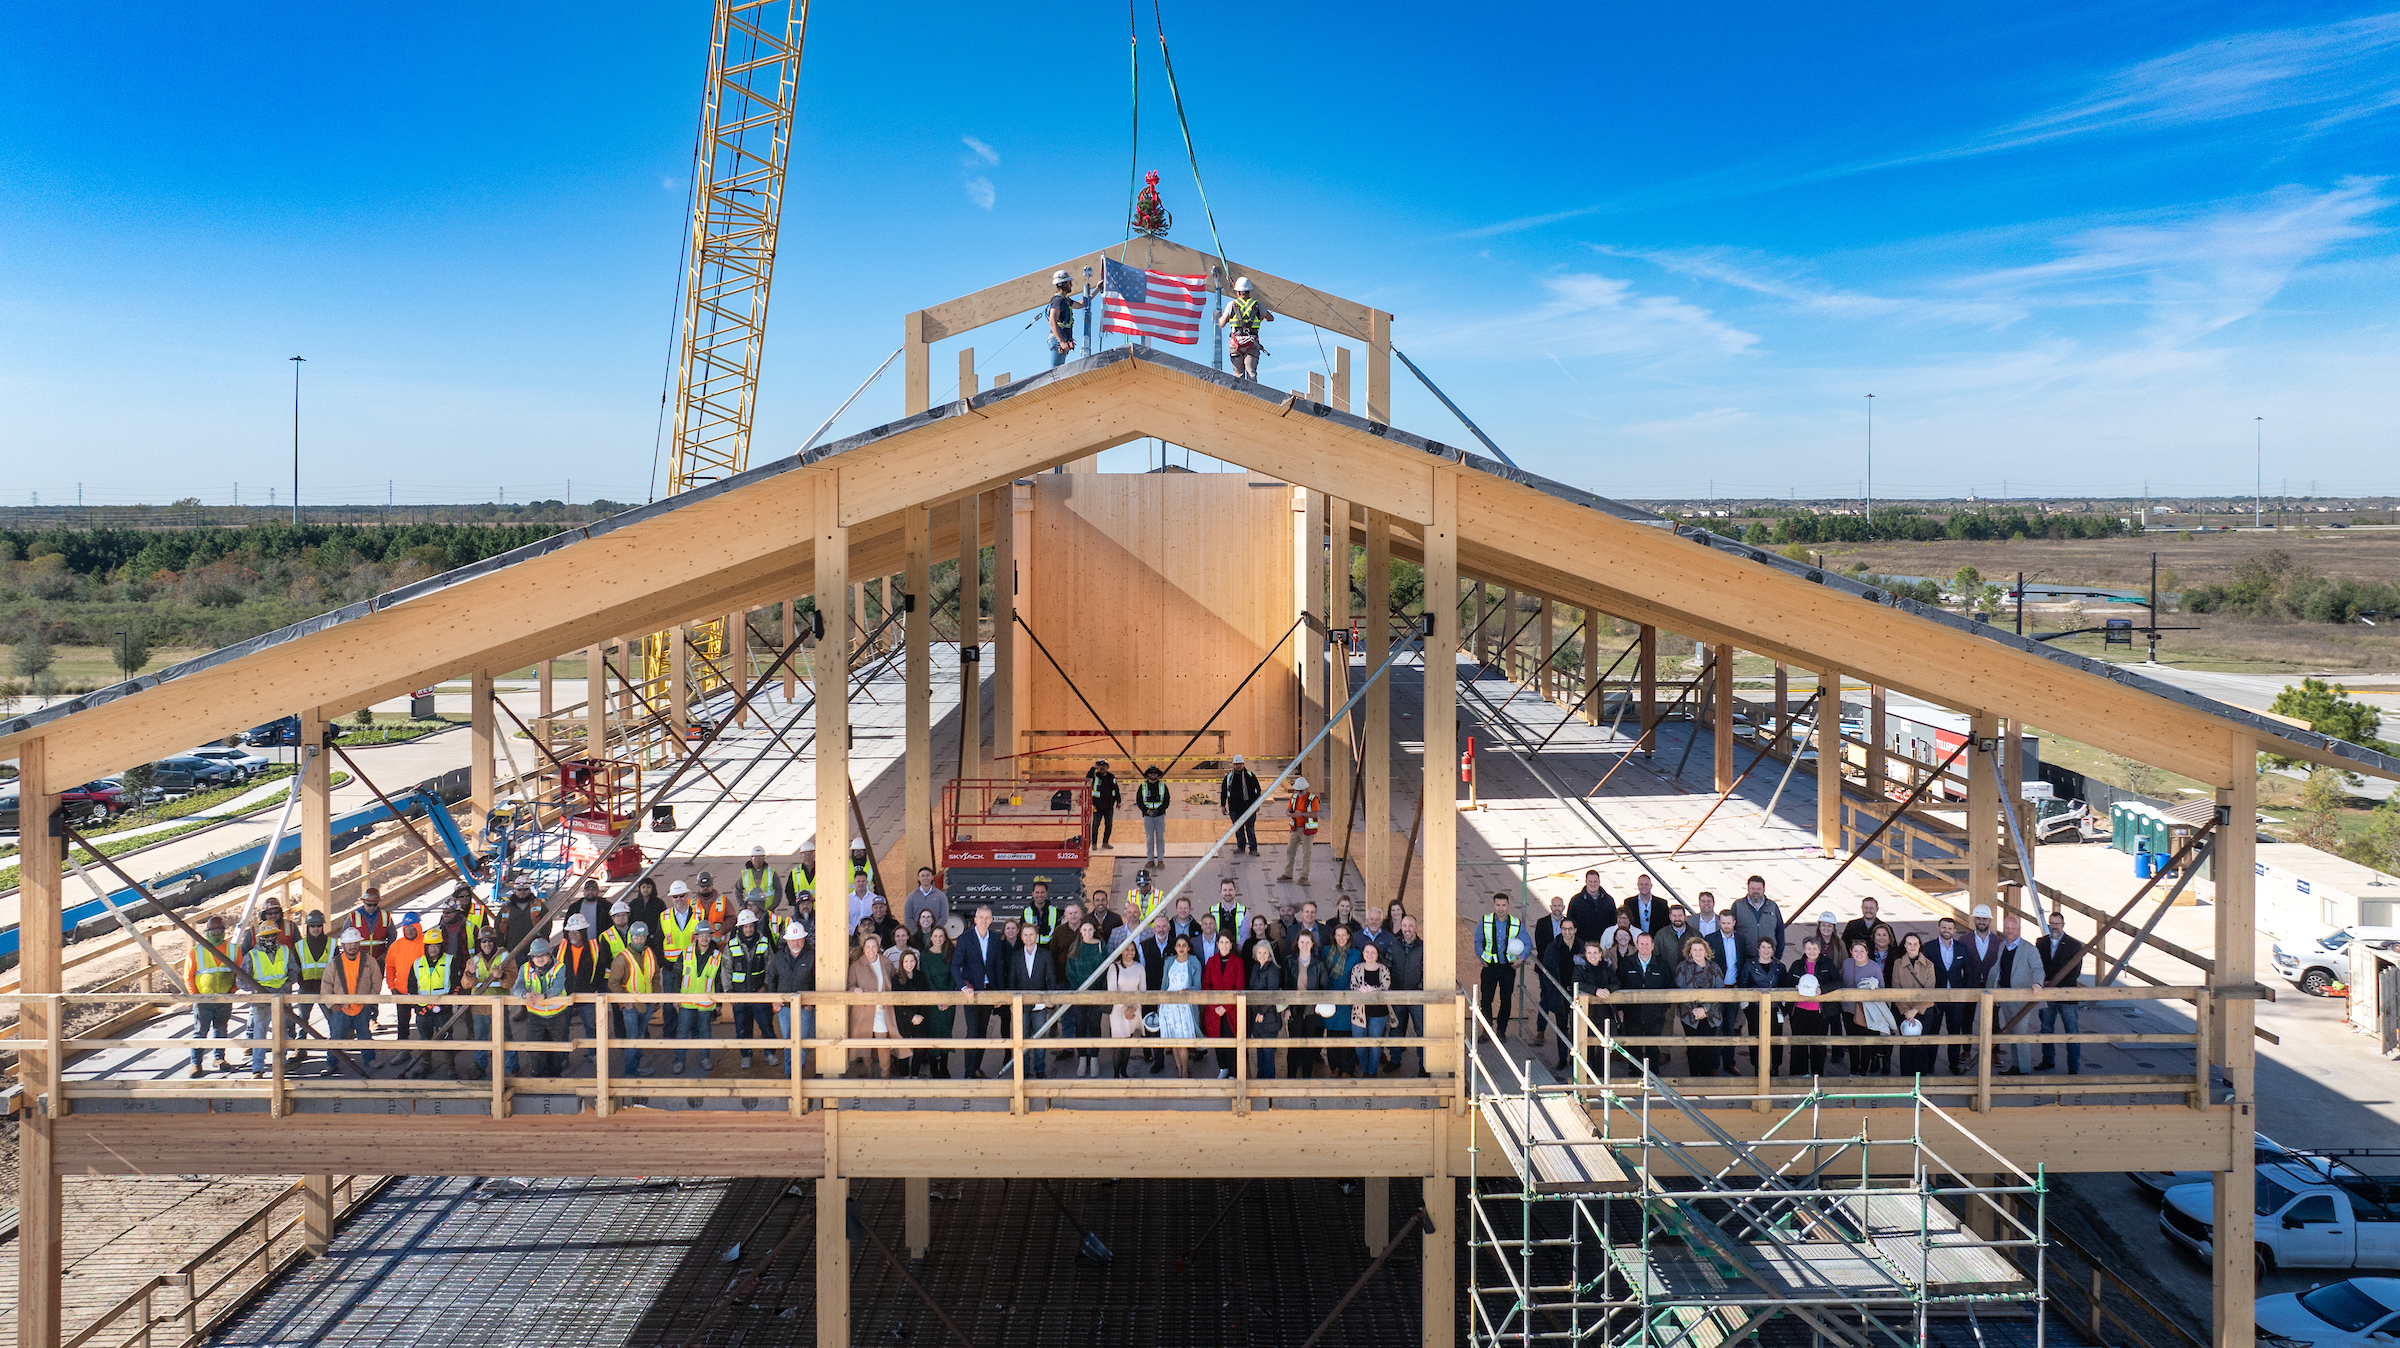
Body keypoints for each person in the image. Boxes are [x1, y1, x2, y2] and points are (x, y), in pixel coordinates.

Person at [954, 906, 1009, 1079]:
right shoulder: (965, 938)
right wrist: (963, 986)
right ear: (975, 920)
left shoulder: (994, 938)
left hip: (989, 991)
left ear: (991, 920)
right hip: (971, 992)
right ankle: (968, 1072)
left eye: (987, 918)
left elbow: (998, 967)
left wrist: (999, 993)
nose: (984, 921)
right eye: (981, 917)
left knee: (983, 1031)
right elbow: (955, 966)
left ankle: (976, 1068)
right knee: (972, 1031)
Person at [1003, 920, 1060, 1078]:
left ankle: (1040, 1069)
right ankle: (1025, 1070)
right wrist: (1012, 1003)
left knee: (1039, 1038)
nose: (1028, 938)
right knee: (1022, 1038)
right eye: (1025, 935)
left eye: (1031, 935)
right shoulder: (1015, 957)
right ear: (1021, 937)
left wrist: (1051, 997)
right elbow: (1012, 981)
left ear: (1036, 936)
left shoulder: (1045, 955)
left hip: (1040, 1005)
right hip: (1020, 1004)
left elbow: (1051, 977)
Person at [1985, 912, 2040, 1075]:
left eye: (2013, 928)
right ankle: (2016, 1066)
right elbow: (1999, 970)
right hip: (2006, 996)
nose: (2010, 931)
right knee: (2011, 1031)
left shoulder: (2029, 949)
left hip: (2022, 998)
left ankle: (2023, 1070)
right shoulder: (2003, 946)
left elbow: (2038, 968)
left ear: (2019, 929)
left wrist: (2037, 983)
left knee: (2020, 1034)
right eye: (2007, 928)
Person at [2035, 907, 2089, 1074]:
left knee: (2071, 1031)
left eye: (2057, 924)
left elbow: (2075, 972)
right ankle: (2047, 1060)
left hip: (2067, 995)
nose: (2054, 927)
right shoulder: (2041, 942)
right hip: (2047, 994)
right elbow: (2037, 965)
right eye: (2051, 923)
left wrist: (2056, 984)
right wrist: (2042, 982)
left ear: (2063, 925)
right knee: (2046, 1028)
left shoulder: (2074, 945)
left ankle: (2073, 1067)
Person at [607, 921, 663, 1078]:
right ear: (631, 937)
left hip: (647, 1004)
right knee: (633, 1039)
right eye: (636, 936)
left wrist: (656, 998)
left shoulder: (650, 954)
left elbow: (656, 976)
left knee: (639, 1037)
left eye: (642, 936)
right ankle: (631, 1071)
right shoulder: (622, 958)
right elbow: (613, 983)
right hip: (631, 1007)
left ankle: (636, 1068)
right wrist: (625, 1002)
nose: (639, 939)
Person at [184, 915, 239, 1075]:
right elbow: (188, 975)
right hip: (203, 999)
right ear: (207, 931)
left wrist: (232, 990)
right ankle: (196, 1063)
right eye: (213, 929)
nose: (216, 932)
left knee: (221, 1029)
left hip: (224, 998)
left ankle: (219, 1058)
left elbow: (240, 972)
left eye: (220, 928)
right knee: (200, 1031)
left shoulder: (233, 950)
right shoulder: (196, 952)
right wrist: (195, 996)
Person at [404, 925, 458, 1080]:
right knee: (425, 1040)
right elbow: (412, 988)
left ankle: (450, 1068)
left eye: (436, 946)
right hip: (423, 1011)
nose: (433, 949)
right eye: (430, 946)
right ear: (425, 947)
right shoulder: (417, 963)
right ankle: (425, 1065)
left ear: (441, 946)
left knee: (447, 1039)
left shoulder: (450, 961)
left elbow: (455, 984)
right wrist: (417, 1008)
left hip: (444, 1010)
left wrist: (446, 1004)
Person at [513, 937, 573, 1077]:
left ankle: (555, 1076)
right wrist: (525, 995)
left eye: (543, 955)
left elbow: (558, 987)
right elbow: (517, 987)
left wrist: (543, 996)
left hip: (557, 1015)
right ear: (531, 957)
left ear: (549, 955)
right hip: (535, 1016)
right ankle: (538, 1076)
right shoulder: (525, 968)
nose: (539, 959)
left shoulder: (560, 967)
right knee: (534, 1047)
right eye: (536, 956)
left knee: (558, 1048)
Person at [1616, 930, 1674, 1073]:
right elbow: (1618, 986)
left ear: (1653, 946)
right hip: (1632, 1014)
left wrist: (1663, 1008)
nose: (1645, 947)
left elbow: (1670, 987)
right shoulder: (1626, 963)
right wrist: (1620, 1009)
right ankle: (1635, 1071)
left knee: (1652, 1046)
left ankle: (1652, 1073)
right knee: (1634, 1044)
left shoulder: (1662, 965)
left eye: (1647, 944)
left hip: (1655, 1015)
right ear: (1636, 945)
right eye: (1641, 944)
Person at [724, 909, 774, 1070]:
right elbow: (725, 970)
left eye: (750, 926)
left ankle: (770, 1053)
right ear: (740, 928)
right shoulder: (731, 945)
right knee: (742, 1028)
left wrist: (765, 987)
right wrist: (729, 992)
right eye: (745, 926)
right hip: (739, 996)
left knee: (766, 1025)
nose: (748, 929)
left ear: (755, 925)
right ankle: (746, 1055)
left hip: (760, 993)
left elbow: (770, 968)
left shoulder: (764, 942)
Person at [673, 922, 725, 1076]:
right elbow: (676, 976)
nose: (704, 938)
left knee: (705, 1031)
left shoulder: (717, 956)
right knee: (682, 1032)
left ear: (711, 937)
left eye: (707, 935)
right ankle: (679, 1061)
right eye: (701, 935)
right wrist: (675, 998)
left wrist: (719, 1004)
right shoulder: (686, 953)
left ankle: (705, 1058)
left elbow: (719, 981)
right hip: (686, 1001)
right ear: (696, 937)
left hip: (706, 1003)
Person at [464, 927, 515, 1079]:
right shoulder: (473, 961)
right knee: (480, 1039)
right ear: (480, 943)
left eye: (489, 941)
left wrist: (502, 975)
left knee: (505, 1037)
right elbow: (466, 984)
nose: (487, 944)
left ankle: (512, 1068)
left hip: (499, 1006)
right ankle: (479, 1067)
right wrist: (470, 973)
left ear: (495, 941)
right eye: (483, 941)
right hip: (479, 1007)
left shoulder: (506, 957)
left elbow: (511, 981)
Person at [1786, 937, 1840, 1078]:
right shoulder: (1797, 965)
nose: (1811, 951)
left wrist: (1823, 989)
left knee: (1818, 1045)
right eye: (1808, 949)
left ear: (1819, 949)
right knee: (1799, 1043)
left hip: (1819, 1012)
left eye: (1814, 949)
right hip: (1799, 1011)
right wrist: (1794, 987)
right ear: (1804, 950)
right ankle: (1798, 1074)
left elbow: (1838, 981)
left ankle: (1817, 1075)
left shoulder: (1827, 964)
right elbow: (1787, 982)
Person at [1474, 892, 1526, 1039]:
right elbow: (1478, 941)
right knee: (1486, 1000)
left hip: (1507, 968)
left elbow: (1527, 943)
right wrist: (1481, 958)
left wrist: (1521, 959)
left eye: (1503, 905)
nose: (1501, 908)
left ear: (1508, 905)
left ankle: (1501, 1031)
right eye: (1498, 905)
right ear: (1493, 905)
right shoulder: (1485, 921)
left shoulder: (1515, 923)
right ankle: (1487, 1031)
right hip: (1489, 967)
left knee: (1506, 1000)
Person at [766, 923, 814, 1078]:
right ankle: (789, 1072)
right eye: (792, 940)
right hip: (785, 1007)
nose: (795, 943)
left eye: (798, 939)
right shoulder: (779, 957)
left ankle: (798, 1069)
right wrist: (774, 999)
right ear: (787, 941)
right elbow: (771, 978)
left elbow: (816, 980)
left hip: (804, 1006)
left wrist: (811, 1001)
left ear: (803, 938)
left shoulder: (812, 955)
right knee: (788, 1039)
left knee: (801, 1040)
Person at [1734, 937, 1788, 1077]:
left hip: (1774, 1008)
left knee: (1776, 1038)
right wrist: (1746, 1007)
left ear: (1773, 950)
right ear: (1758, 949)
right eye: (1763, 947)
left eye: (1769, 948)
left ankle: (1775, 1066)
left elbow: (1784, 987)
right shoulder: (1749, 965)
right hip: (1755, 1009)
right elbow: (1743, 984)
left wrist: (1783, 1007)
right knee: (1755, 1038)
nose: (1766, 950)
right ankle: (1756, 1067)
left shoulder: (1779, 967)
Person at [1673, 935, 1726, 1077]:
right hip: (1688, 1014)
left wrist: (1705, 1009)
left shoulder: (1714, 968)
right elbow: (1679, 989)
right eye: (1694, 950)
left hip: (1710, 1014)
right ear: (1689, 951)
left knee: (1706, 1048)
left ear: (1706, 951)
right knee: (1692, 1048)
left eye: (1700, 949)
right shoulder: (1682, 967)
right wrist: (1694, 1010)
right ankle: (1694, 1078)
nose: (1697, 952)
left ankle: (1706, 1079)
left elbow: (1720, 990)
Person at [848, 931, 898, 1078]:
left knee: (883, 1045)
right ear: (863, 948)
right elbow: (850, 984)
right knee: (865, 1045)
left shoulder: (886, 962)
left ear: (878, 947)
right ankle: (869, 1073)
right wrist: (854, 989)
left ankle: (885, 1075)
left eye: (874, 946)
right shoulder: (856, 966)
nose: (871, 950)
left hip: (883, 1009)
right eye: (868, 947)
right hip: (864, 1010)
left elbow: (894, 980)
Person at [1891, 931, 1940, 1077]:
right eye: (1909, 944)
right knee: (1905, 1045)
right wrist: (1907, 1011)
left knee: (1920, 1044)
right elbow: (1896, 988)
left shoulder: (1929, 965)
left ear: (1920, 946)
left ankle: (1921, 1077)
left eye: (1915, 944)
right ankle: (1906, 1078)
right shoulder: (1898, 964)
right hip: (1903, 1010)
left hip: (1924, 1010)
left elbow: (1930, 989)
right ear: (1904, 946)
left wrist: (1916, 1010)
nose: (1912, 946)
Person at [1929, 915, 1972, 1074]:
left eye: (1949, 928)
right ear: (1939, 929)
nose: (1946, 930)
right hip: (1936, 997)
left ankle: (1954, 1064)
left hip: (1955, 998)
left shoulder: (1961, 948)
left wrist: (1964, 995)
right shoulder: (1929, 947)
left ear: (1954, 931)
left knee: (1954, 1032)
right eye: (1943, 927)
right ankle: (1930, 1064)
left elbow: (1968, 973)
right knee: (1933, 1031)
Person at [1842, 939, 1891, 1076]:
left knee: (1866, 1042)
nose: (1858, 953)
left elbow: (1881, 988)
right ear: (1851, 952)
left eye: (1861, 951)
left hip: (1868, 1011)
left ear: (1867, 952)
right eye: (1855, 950)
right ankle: (1853, 1071)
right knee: (1852, 1042)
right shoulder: (1847, 963)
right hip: (1849, 1009)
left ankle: (1863, 1071)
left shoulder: (1874, 967)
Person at [1285, 930, 1329, 1079]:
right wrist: (1287, 1008)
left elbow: (1324, 985)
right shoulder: (1290, 961)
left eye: (1307, 942)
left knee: (1308, 1045)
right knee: (1294, 1045)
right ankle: (1291, 1078)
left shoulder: (1318, 963)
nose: (1304, 945)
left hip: (1312, 1010)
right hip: (1294, 1009)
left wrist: (1319, 1005)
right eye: (1301, 942)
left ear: (1312, 944)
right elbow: (1285, 986)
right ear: (1297, 943)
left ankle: (1307, 1077)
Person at [290, 909, 334, 1060]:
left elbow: (336, 968)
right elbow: (295, 967)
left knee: (332, 1020)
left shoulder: (332, 944)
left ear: (323, 926)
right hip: (306, 988)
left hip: (325, 989)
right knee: (302, 1020)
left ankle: (335, 1048)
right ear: (307, 927)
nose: (316, 929)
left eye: (319, 925)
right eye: (313, 926)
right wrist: (301, 983)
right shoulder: (299, 946)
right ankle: (300, 1048)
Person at [1158, 933, 1203, 1078]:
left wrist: (1188, 991)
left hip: (1185, 1006)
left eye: (1184, 945)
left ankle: (1185, 1072)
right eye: (1178, 945)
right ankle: (1179, 1070)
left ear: (1189, 947)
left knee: (1182, 1042)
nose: (1181, 948)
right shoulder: (1169, 961)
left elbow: (1198, 985)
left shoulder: (1194, 961)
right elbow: (1165, 984)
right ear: (1175, 948)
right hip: (1169, 1005)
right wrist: (1161, 1002)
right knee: (1174, 1042)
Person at [1387, 913, 1426, 1076]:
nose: (1407, 929)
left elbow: (1426, 972)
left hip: (1416, 996)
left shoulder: (1423, 947)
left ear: (1416, 928)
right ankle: (1395, 1060)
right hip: (1397, 995)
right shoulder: (1393, 944)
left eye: (1410, 926)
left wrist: (1418, 990)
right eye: (1404, 926)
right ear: (1401, 927)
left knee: (1421, 1031)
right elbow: (1387, 968)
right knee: (1395, 1029)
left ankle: (1424, 1065)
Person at [1065, 920, 1106, 1076]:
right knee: (1080, 1025)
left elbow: (1105, 968)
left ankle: (1094, 1059)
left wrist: (1094, 987)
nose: (1087, 932)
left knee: (1095, 1025)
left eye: (1090, 929)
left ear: (1094, 930)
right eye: (1084, 929)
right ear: (1080, 931)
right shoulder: (1074, 947)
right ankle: (1082, 1058)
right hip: (1079, 994)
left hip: (1096, 994)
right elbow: (1070, 970)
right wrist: (1081, 988)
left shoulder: (1101, 946)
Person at [1202, 931, 1246, 1078]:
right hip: (1214, 1009)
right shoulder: (1211, 961)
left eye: (1227, 942)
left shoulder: (1237, 962)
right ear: (1217, 944)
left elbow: (1239, 987)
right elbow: (1206, 985)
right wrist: (1215, 1006)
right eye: (1221, 942)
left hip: (1231, 1010)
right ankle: (1223, 1068)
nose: (1224, 945)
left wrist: (1225, 1007)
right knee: (1218, 1039)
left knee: (1231, 1041)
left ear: (1231, 944)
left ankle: (1233, 1072)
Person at [1537, 917, 1580, 1062]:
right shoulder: (1552, 947)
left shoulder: (1581, 947)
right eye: (1564, 929)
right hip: (1560, 992)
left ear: (1575, 930)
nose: (1567, 932)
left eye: (1570, 929)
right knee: (1561, 1027)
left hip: (1577, 993)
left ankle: (1576, 1059)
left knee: (1577, 1027)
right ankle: (1562, 1058)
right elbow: (1547, 972)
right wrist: (1551, 992)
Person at [1322, 923, 1363, 1076]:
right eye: (1337, 935)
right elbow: (1322, 972)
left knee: (1347, 1035)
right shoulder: (1326, 951)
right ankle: (1335, 1067)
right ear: (1334, 937)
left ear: (1349, 937)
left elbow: (1357, 976)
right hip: (1330, 998)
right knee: (1332, 1034)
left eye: (1343, 935)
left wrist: (1346, 994)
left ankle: (1347, 1068)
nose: (1341, 938)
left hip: (1347, 999)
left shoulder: (1355, 954)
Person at [1573, 937, 1617, 1076]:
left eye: (1595, 953)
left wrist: (1608, 989)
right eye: (1589, 953)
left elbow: (1616, 982)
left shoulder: (1607, 966)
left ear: (1600, 954)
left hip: (1604, 1011)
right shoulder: (1580, 967)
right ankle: (1587, 1073)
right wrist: (1595, 991)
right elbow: (1577, 982)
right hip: (1586, 1011)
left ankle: (1602, 1074)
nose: (1592, 956)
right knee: (1586, 1042)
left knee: (1603, 1042)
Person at [1350, 938, 1394, 1077]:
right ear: (1363, 953)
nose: (1369, 954)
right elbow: (1353, 987)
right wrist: (1361, 989)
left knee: (1375, 1043)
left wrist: (1371, 989)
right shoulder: (1356, 969)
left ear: (1377, 954)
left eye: (1373, 952)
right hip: (1359, 1012)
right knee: (1359, 1043)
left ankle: (1372, 1072)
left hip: (1379, 1012)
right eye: (1367, 952)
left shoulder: (1384, 969)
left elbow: (1385, 987)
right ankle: (1365, 1068)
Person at [920, 924, 958, 1080]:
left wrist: (948, 998)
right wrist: (937, 999)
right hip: (932, 1000)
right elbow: (927, 979)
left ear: (945, 938)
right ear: (931, 938)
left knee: (946, 1031)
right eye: (935, 936)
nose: (938, 939)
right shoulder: (925, 956)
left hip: (949, 1000)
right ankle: (934, 1066)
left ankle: (944, 1065)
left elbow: (954, 975)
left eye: (941, 936)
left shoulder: (950, 953)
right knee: (933, 1031)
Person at [1106, 940, 1148, 1078]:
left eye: (1132, 950)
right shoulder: (1114, 967)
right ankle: (1116, 1074)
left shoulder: (1139, 967)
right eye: (1126, 949)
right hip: (1118, 1010)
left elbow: (1143, 991)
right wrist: (1125, 1008)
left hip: (1134, 1008)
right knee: (1119, 1042)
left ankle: (1124, 1071)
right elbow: (1112, 991)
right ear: (1121, 951)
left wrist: (1134, 1008)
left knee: (1128, 1041)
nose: (1129, 953)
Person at [1218, 276, 1273, 381]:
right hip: (1252, 344)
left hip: (1236, 344)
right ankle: (1253, 395)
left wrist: (1218, 317)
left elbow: (1222, 323)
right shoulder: (1257, 305)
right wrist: (1261, 317)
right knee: (1251, 373)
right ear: (1249, 291)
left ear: (1238, 292)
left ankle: (1239, 395)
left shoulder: (1232, 305)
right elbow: (1270, 318)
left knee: (1238, 375)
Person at [384, 912, 425, 1049]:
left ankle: (426, 1053)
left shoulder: (426, 945)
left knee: (424, 1023)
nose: (409, 930)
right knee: (402, 1023)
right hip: (401, 991)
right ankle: (403, 1051)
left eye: (412, 927)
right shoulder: (396, 946)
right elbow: (389, 967)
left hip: (422, 993)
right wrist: (392, 987)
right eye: (406, 927)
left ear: (418, 927)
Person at [1246, 937, 1286, 1079]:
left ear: (1269, 954)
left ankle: (1268, 1083)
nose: (1262, 955)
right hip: (1255, 1016)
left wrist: (1261, 1012)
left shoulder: (1273, 970)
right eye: (1259, 952)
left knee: (1268, 1051)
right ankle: (1260, 1079)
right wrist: (1256, 1012)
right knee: (1259, 1051)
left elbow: (1272, 993)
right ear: (1255, 954)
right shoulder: (1255, 967)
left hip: (1269, 1017)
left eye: (1265, 952)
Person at [894, 948, 936, 1076]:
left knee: (920, 1049)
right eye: (906, 961)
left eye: (912, 961)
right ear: (902, 963)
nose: (909, 964)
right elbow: (898, 1001)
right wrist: (912, 1015)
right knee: (904, 1050)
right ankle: (905, 1075)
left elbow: (926, 996)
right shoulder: (896, 979)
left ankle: (915, 1074)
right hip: (905, 1018)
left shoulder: (920, 976)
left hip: (921, 1017)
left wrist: (920, 1015)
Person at [1733, 876, 1786, 965]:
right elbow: (1731, 930)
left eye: (1758, 889)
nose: (1755, 891)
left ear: (1764, 889)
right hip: (1745, 959)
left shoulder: (1772, 906)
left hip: (1768, 958)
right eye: (1752, 888)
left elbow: (1780, 931)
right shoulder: (1738, 906)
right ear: (1748, 889)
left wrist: (1778, 955)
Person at [1279, 776, 1320, 883]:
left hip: (1307, 830)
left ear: (1305, 789)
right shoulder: (1294, 797)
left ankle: (1304, 876)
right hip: (1295, 828)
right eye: (1297, 790)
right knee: (1290, 850)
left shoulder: (1312, 799)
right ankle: (1288, 874)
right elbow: (1288, 810)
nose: (1298, 792)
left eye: (1300, 790)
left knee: (1307, 853)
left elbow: (1315, 813)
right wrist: (1291, 814)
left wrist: (1302, 814)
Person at [1046, 268, 1090, 368]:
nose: (1071, 285)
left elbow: (1080, 305)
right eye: (1069, 282)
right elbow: (1052, 321)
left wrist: (1097, 289)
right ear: (1064, 284)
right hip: (1058, 338)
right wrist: (1061, 341)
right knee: (1056, 369)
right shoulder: (1058, 300)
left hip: (1062, 338)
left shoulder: (1065, 300)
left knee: (1059, 368)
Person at [1221, 755, 1263, 856]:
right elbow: (1224, 792)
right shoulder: (1229, 777)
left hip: (1249, 808)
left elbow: (1257, 790)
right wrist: (1223, 805)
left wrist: (1257, 804)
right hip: (1235, 809)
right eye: (1236, 764)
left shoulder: (1250, 775)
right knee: (1238, 829)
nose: (1238, 766)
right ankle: (1241, 847)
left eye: (1240, 764)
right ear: (1234, 765)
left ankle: (1253, 849)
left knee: (1250, 829)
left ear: (1243, 764)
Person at [1135, 766, 1171, 870]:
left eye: (1155, 773)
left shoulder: (1163, 786)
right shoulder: (1142, 787)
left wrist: (1159, 811)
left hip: (1159, 817)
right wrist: (1147, 811)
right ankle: (1150, 860)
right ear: (1148, 775)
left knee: (1160, 838)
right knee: (1150, 839)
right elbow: (1139, 801)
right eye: (1151, 773)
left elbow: (1166, 801)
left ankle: (1160, 860)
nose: (1153, 775)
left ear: (1157, 775)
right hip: (1148, 817)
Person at [1566, 871, 1614, 942]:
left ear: (1599, 882)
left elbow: (1613, 923)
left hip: (1603, 943)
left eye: (1595, 881)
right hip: (1582, 943)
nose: (1593, 884)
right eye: (1590, 881)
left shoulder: (1609, 900)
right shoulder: (1576, 901)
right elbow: (1570, 922)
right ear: (1586, 882)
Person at [660, 881, 702, 962]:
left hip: (693, 962)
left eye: (681, 896)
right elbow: (658, 941)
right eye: (675, 897)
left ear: (687, 895)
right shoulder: (664, 916)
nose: (678, 899)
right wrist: (664, 963)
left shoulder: (700, 914)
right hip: (671, 964)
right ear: (672, 898)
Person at [902, 866, 950, 934]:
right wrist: (916, 932)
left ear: (932, 877)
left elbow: (944, 917)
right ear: (919, 878)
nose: (925, 878)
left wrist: (934, 931)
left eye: (928, 875)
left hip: (935, 936)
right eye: (922, 876)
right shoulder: (911, 897)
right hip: (916, 936)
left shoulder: (941, 896)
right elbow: (908, 918)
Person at [1087, 759, 1121, 850]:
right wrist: (1093, 767)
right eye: (1100, 766)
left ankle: (1105, 842)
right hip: (1097, 806)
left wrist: (1118, 801)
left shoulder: (1111, 777)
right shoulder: (1095, 777)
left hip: (1109, 806)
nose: (1102, 768)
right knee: (1095, 825)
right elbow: (1088, 777)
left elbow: (1116, 789)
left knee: (1109, 825)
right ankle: (1094, 843)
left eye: (1104, 766)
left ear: (1107, 767)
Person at [738, 847, 785, 911]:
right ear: (751, 858)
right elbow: (737, 890)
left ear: (764, 858)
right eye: (755, 857)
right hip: (751, 911)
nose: (757, 860)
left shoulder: (770, 872)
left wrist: (774, 905)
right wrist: (743, 906)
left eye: (760, 857)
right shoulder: (746, 874)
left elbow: (779, 890)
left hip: (768, 909)